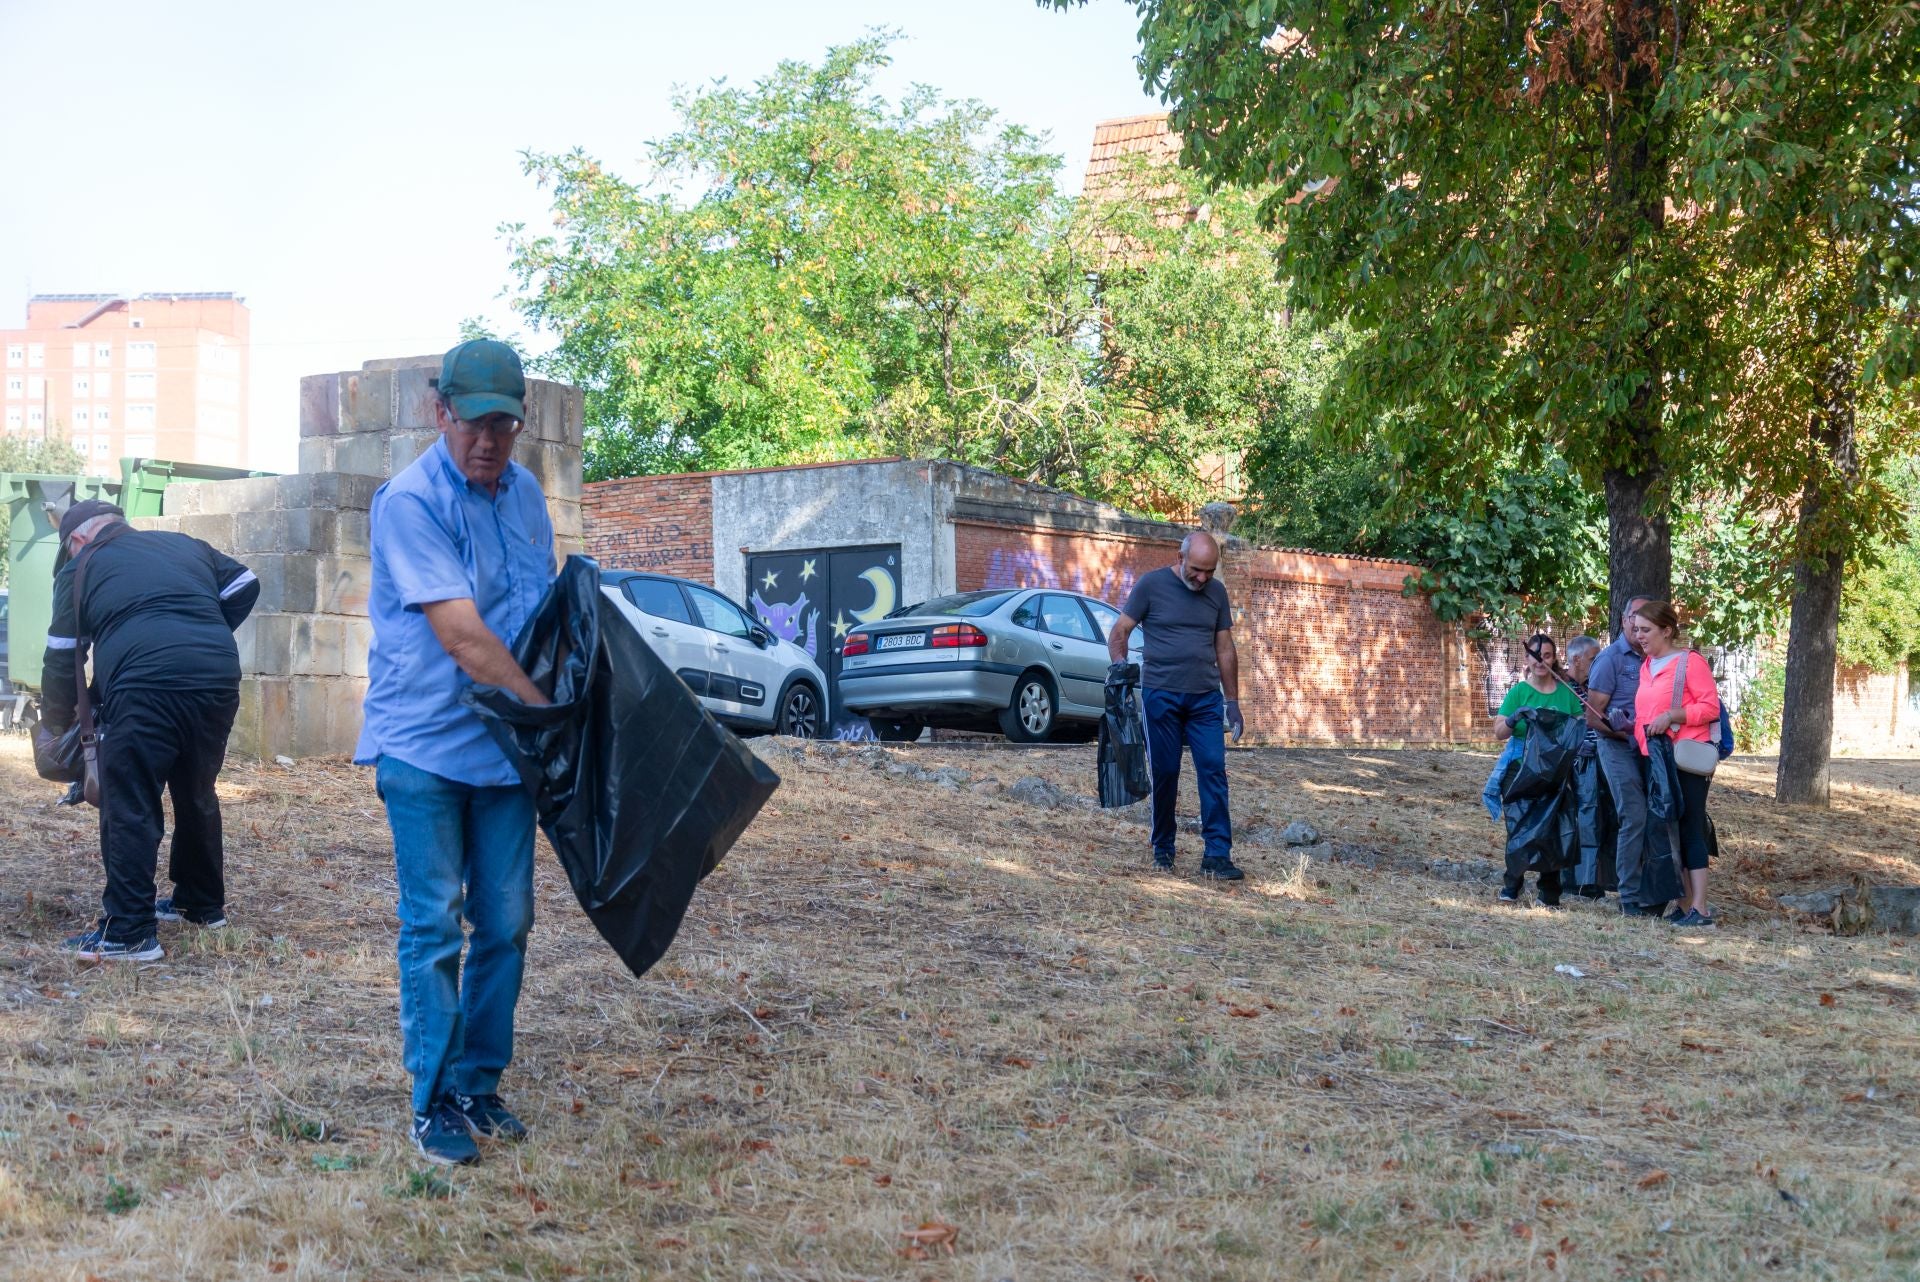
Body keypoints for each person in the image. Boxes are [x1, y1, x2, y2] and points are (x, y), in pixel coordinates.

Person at [355, 340, 557, 1166]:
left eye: (504, 425)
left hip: (505, 752)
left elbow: (544, 615)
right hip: (426, 747)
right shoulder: (410, 502)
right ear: (440, 413)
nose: (488, 441)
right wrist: (547, 714)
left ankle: (479, 1083)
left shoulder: (527, 495)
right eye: (473, 423)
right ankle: (432, 1099)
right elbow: (465, 638)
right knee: (434, 924)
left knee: (506, 922)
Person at [41, 499, 259, 961]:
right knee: (196, 788)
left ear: (77, 539)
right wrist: (202, 631)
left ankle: (129, 933)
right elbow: (245, 582)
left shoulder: (80, 568)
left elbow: (62, 655)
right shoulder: (185, 546)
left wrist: (56, 727)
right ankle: (200, 904)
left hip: (144, 685)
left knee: (129, 799)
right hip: (216, 679)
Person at [1106, 531, 1245, 881]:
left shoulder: (1217, 593)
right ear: (1180, 558)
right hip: (1161, 695)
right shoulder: (1151, 586)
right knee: (1165, 772)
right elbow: (1120, 631)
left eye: (1209, 571)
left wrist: (1232, 702)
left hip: (1205, 699)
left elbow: (1225, 648)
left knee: (1213, 770)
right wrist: (1120, 670)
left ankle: (1217, 855)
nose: (1202, 578)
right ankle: (1163, 848)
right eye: (1197, 569)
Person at [1629, 600, 1722, 928]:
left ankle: (1701, 909)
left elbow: (1710, 707)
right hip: (1655, 758)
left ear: (1666, 630)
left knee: (1690, 828)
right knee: (1669, 829)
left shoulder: (1689, 662)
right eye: (1636, 629)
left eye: (1646, 630)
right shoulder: (1647, 665)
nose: (1639, 636)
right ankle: (1684, 904)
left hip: (1685, 757)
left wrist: (1672, 715)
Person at [1487, 634, 1583, 903]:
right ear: (1527, 658)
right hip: (1519, 771)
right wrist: (1514, 718)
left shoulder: (1566, 693)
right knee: (1519, 827)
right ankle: (1512, 884)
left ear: (1554, 658)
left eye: (1547, 656)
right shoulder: (1519, 692)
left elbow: (1578, 729)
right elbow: (1499, 732)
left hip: (1553, 773)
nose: (1541, 662)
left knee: (1551, 828)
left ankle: (1549, 892)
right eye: (1536, 656)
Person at [1584, 595, 1665, 917]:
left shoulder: (1656, 658)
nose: (1639, 623)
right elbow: (1593, 718)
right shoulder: (1610, 659)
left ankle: (1656, 890)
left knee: (1658, 815)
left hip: (1652, 748)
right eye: (1635, 616)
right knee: (1634, 815)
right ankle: (1629, 895)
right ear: (1624, 620)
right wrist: (1631, 734)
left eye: (1646, 617)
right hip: (1618, 747)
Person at [1563, 634, 1615, 898]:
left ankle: (1596, 877)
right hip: (1578, 762)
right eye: (1593, 659)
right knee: (1582, 818)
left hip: (1599, 759)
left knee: (1597, 819)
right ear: (1576, 659)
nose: (1597, 664)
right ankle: (1579, 881)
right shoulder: (1563, 687)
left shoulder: (1591, 688)